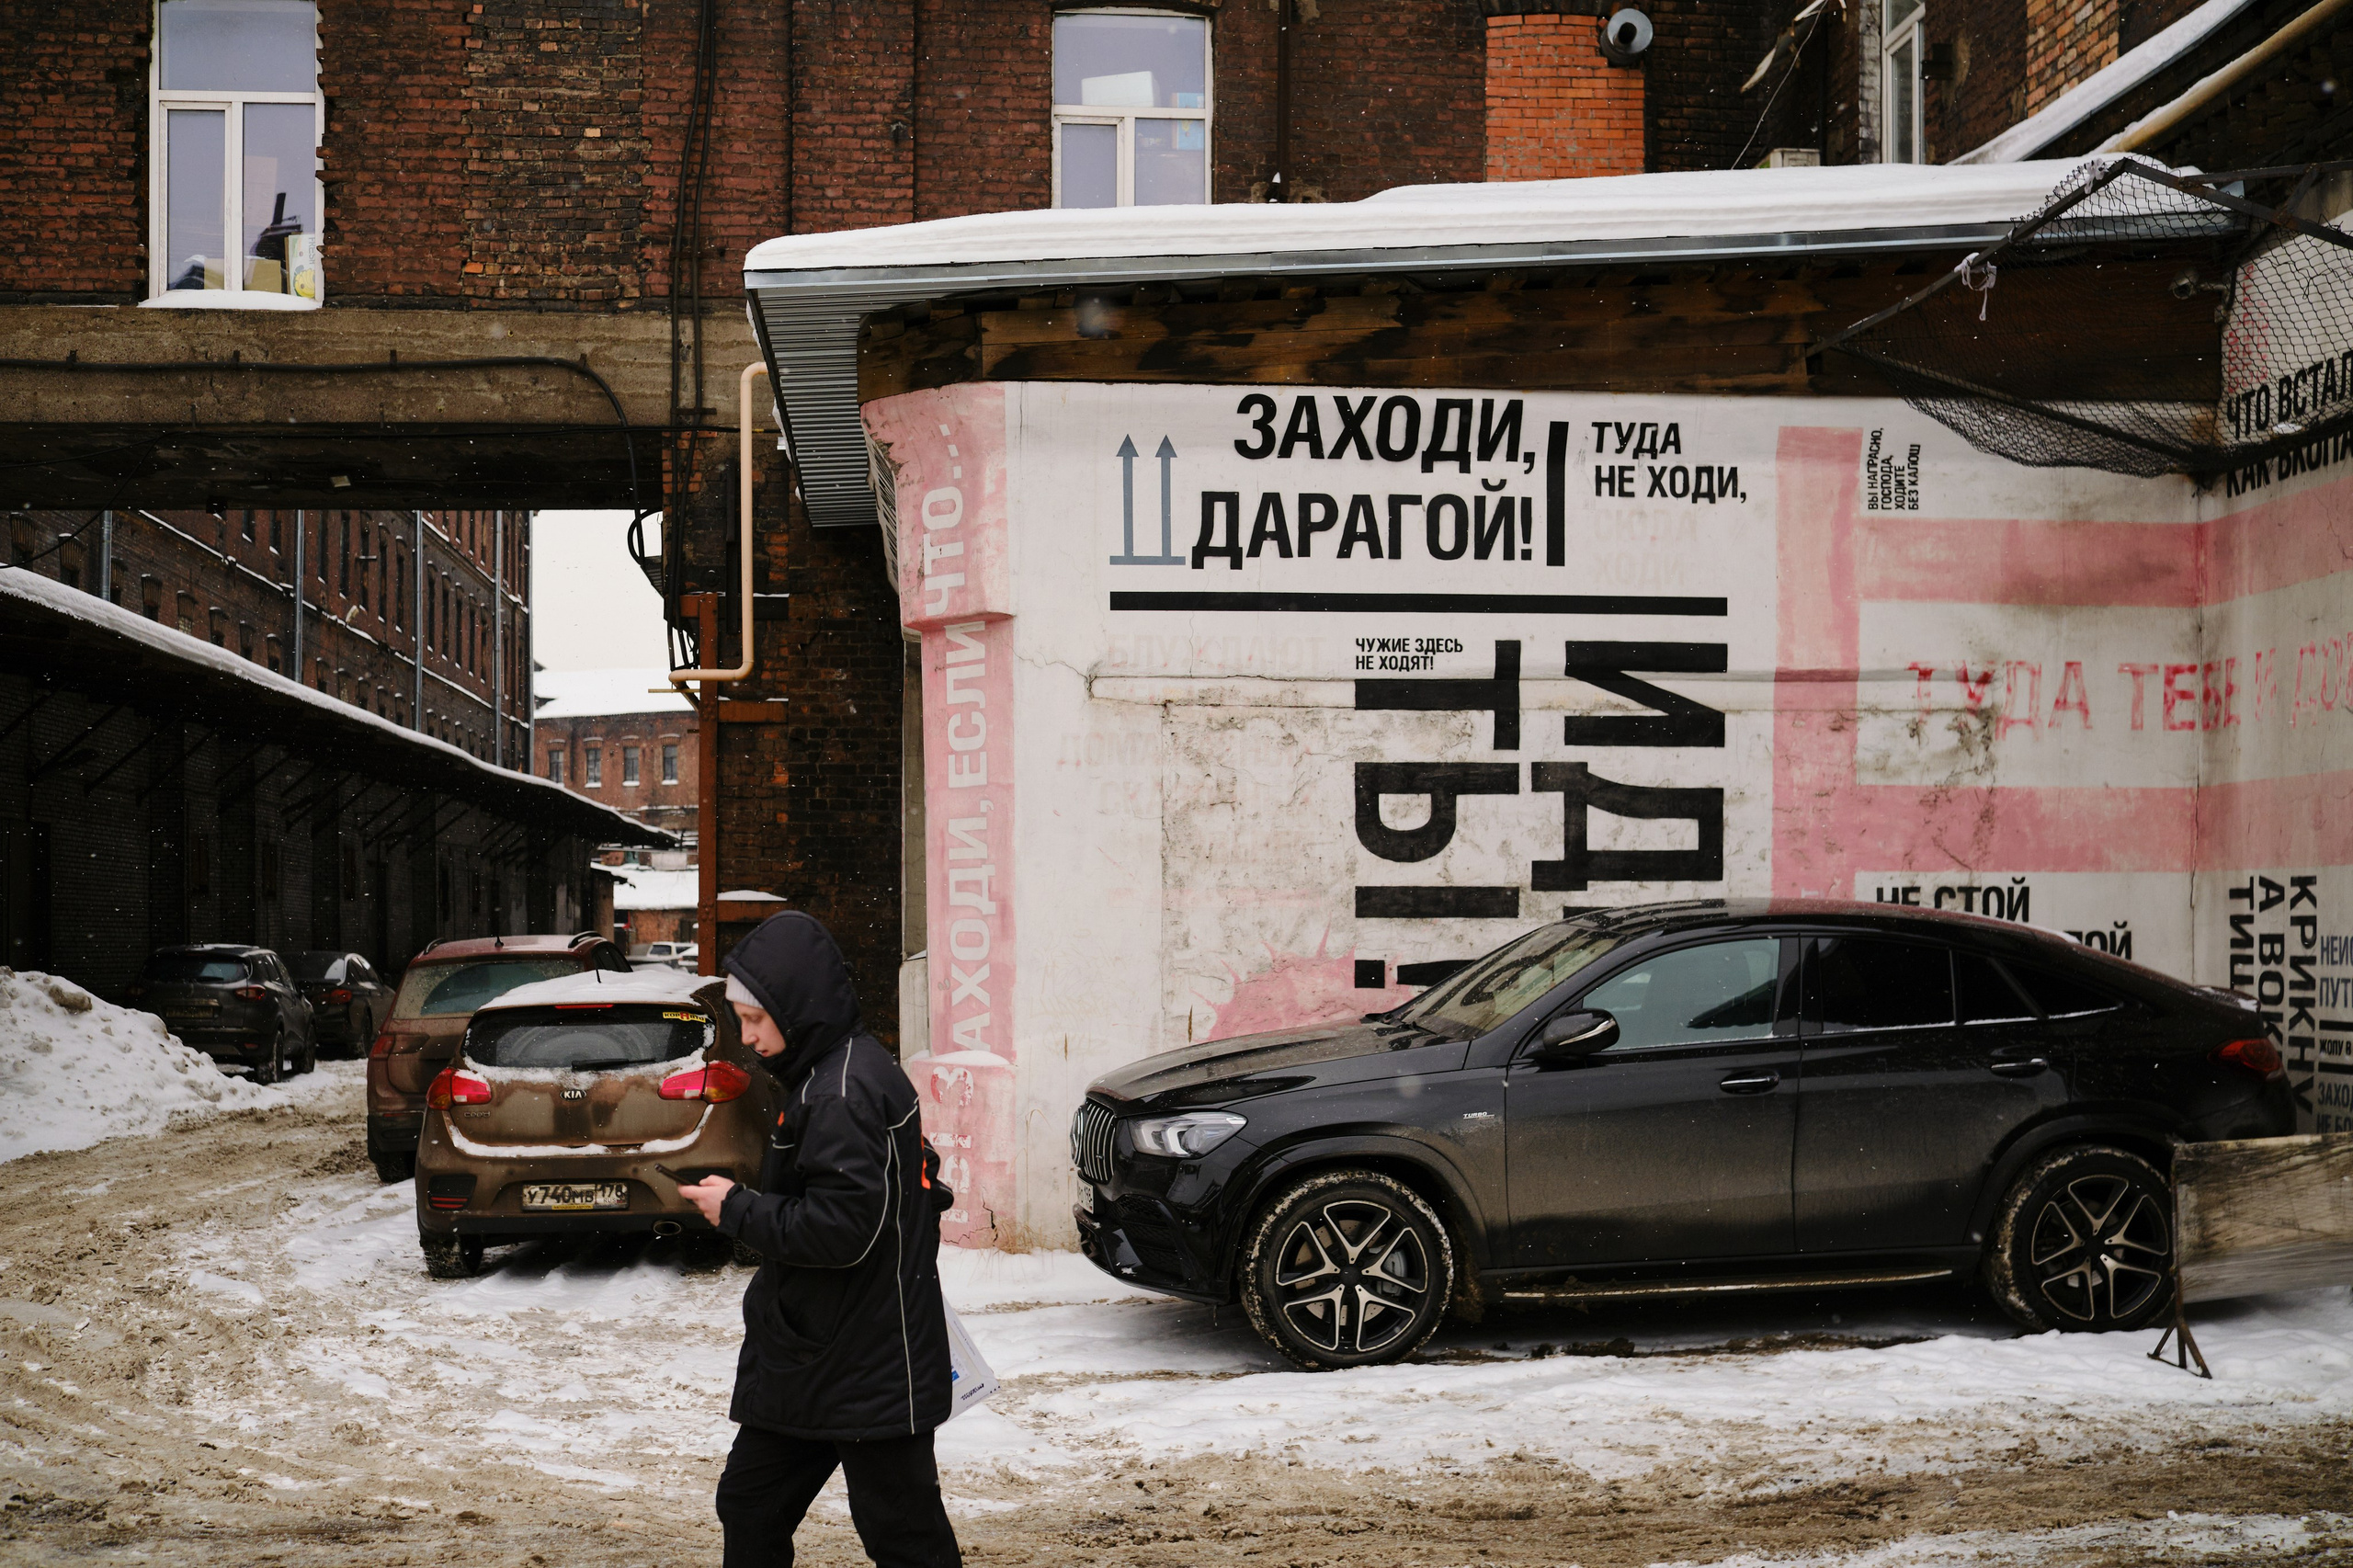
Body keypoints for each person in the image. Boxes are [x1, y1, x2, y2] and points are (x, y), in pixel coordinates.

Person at [675, 912, 961, 1568]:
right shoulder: (843, 1069)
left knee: (902, 1531)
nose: (747, 1039)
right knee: (751, 1504)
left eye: (754, 1021)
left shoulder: (839, 1090)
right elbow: (912, 1178)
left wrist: (737, 1210)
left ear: (796, 1005)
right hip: (821, 1353)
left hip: (863, 1358)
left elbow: (842, 1229)